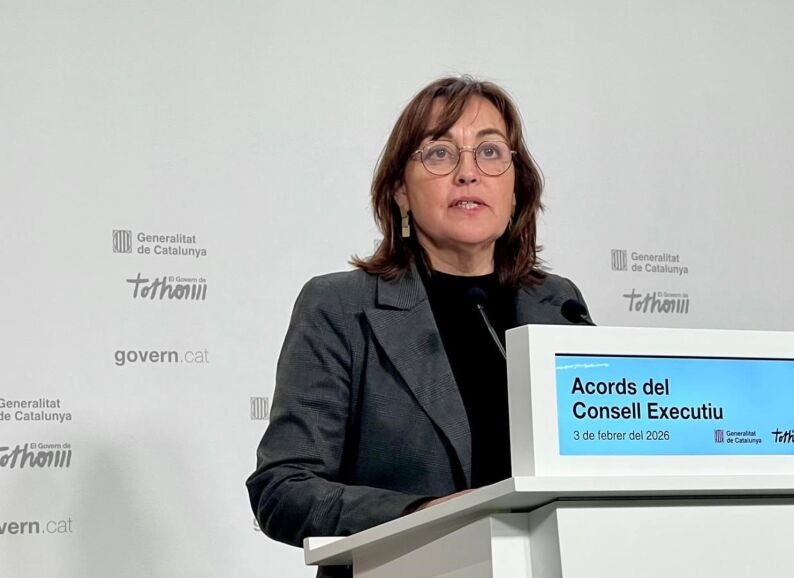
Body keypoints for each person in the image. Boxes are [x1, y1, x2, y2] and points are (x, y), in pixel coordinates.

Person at [246, 76, 591, 578]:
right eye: (440, 153)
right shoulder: (341, 307)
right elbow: (283, 489)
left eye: (490, 152)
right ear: (400, 191)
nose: (468, 173)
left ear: (516, 187)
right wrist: (420, 515)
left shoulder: (558, 304)